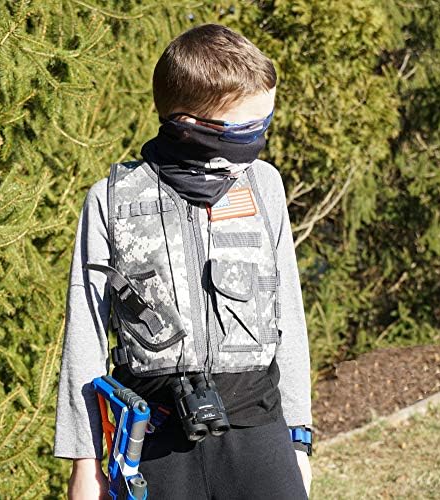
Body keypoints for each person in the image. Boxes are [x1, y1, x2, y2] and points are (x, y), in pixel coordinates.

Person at [54, 23, 313, 500]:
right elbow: (84, 340)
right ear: (190, 123)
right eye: (247, 128)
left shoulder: (264, 185)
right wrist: (85, 463)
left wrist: (298, 439)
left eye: (266, 122)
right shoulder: (110, 200)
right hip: (154, 446)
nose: (260, 138)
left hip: (259, 435)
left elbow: (289, 318)